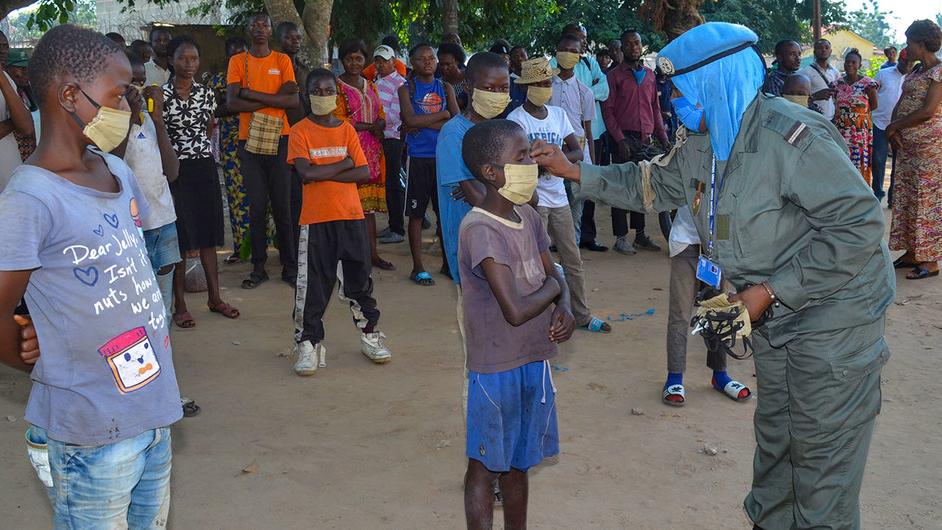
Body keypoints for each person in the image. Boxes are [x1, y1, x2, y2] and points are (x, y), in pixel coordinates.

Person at [535, 22, 894, 530]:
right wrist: (575, 171)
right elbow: (652, 183)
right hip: (776, 322)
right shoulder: (707, 143)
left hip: (833, 320)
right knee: (778, 445)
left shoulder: (792, 137)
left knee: (821, 462)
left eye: (682, 91)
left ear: (716, 83)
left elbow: (858, 225)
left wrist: (771, 291)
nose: (674, 103)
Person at [0, 25, 182, 526]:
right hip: (89, 430)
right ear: (69, 96)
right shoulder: (29, 199)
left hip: (152, 410)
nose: (128, 106)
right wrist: (34, 357)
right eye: (119, 95)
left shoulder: (116, 172)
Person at [459, 118, 574, 530]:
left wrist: (564, 305)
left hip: (532, 357)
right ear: (491, 172)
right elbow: (515, 308)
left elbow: (552, 273)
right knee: (485, 464)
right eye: (522, 156)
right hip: (496, 366)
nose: (532, 163)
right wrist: (555, 289)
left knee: (518, 462)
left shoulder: (528, 216)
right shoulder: (480, 229)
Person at [289, 68, 394, 375]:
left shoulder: (347, 129)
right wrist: (343, 164)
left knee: (359, 280)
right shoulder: (299, 131)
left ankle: (370, 333)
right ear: (307, 96)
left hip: (351, 216)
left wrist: (322, 170)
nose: (322, 96)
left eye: (328, 91)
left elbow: (363, 172)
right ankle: (308, 343)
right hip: (316, 220)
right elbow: (304, 173)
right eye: (316, 91)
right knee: (313, 286)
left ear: (336, 96)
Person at [509, 57, 611, 334]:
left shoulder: (558, 115)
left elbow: (577, 150)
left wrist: (556, 160)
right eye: (539, 84)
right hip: (532, 199)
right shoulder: (516, 120)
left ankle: (582, 314)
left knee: (572, 259)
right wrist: (540, 164)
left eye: (548, 83)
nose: (545, 88)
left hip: (559, 197)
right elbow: (513, 160)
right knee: (534, 262)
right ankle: (538, 317)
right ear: (526, 87)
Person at [436, 52, 512, 411]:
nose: (497, 94)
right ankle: (481, 410)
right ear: (468, 87)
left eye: (503, 88)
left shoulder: (504, 131)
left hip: (506, 247)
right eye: (489, 88)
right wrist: (498, 187)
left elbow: (519, 190)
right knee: (480, 339)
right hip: (471, 253)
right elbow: (479, 197)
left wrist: (490, 187)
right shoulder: (454, 134)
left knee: (506, 332)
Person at [163, 36, 239, 327]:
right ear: (171, 61)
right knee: (181, 237)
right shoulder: (160, 95)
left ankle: (215, 298)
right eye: (183, 58)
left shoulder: (206, 93)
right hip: (174, 170)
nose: (189, 64)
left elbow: (208, 127)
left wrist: (197, 149)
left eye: (194, 58)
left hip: (203, 165)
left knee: (208, 234)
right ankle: (180, 305)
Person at [226, 13, 300, 289]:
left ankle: (289, 266)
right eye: (254, 25)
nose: (259, 29)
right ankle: (259, 267)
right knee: (256, 207)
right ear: (247, 30)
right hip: (249, 142)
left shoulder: (282, 60)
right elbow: (232, 104)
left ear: (271, 31)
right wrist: (273, 100)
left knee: (283, 206)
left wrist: (251, 94)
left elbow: (292, 100)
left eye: (264, 25)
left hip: (280, 139)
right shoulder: (238, 61)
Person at [398, 43, 459, 286]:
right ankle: (418, 267)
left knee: (445, 213)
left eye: (431, 58)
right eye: (422, 59)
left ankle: (448, 263)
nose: (428, 62)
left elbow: (455, 121)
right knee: (416, 213)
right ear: (412, 63)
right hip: (418, 157)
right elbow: (409, 120)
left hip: (443, 157)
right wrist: (441, 115)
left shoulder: (445, 87)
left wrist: (420, 122)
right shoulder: (406, 89)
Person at [601, 29, 667, 254]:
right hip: (623, 139)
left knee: (642, 187)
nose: (634, 47)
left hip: (645, 139)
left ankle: (640, 235)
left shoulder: (649, 75)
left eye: (637, 43)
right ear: (622, 48)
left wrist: (663, 139)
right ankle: (620, 237)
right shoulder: (614, 76)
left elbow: (655, 109)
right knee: (621, 186)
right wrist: (620, 139)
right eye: (628, 44)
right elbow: (608, 111)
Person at [886, 19, 942, 281]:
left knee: (926, 200)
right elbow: (903, 100)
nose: (906, 47)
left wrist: (894, 126)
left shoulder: (939, 72)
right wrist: (893, 130)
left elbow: (928, 111)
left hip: (929, 148)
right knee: (906, 196)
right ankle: (912, 253)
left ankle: (930, 260)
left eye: (909, 42)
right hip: (908, 146)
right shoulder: (917, 70)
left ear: (921, 43)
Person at [335, 39, 393, 271]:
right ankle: (351, 256)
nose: (354, 63)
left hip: (373, 153)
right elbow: (337, 119)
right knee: (349, 208)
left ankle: (372, 254)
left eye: (358, 58)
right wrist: (368, 127)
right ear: (342, 60)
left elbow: (380, 113)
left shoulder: (371, 85)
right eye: (349, 58)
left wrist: (379, 124)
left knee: (368, 210)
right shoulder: (337, 86)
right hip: (349, 153)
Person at [551, 24, 610, 253]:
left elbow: (588, 130)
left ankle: (572, 251)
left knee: (576, 204)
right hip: (552, 149)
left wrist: (591, 163)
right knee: (554, 202)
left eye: (573, 51)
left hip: (578, 151)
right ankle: (554, 248)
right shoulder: (546, 86)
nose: (568, 54)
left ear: (579, 55)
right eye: (564, 50)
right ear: (556, 52)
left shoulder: (585, 92)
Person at [206, 37, 250, 264]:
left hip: (260, 142)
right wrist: (238, 105)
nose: (239, 59)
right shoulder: (218, 80)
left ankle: (265, 247)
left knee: (264, 198)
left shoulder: (257, 76)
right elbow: (213, 110)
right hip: (232, 146)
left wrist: (233, 103)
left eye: (242, 54)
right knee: (236, 197)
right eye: (234, 54)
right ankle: (242, 249)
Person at [276, 21, 311, 256]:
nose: (295, 41)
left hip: (303, 135)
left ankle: (301, 245)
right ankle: (287, 250)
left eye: (297, 37)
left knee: (301, 195)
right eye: (289, 37)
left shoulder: (303, 68)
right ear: (279, 40)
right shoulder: (275, 66)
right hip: (280, 135)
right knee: (284, 198)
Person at [374, 44, 408, 244]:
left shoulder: (400, 83)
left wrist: (375, 124)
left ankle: (398, 229)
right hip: (380, 138)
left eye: (384, 61)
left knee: (394, 183)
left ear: (393, 61)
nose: (380, 64)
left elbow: (396, 115)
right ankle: (393, 224)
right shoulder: (377, 81)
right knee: (388, 182)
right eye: (377, 61)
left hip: (393, 139)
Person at [830, 49, 878, 185]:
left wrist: (857, 116)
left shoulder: (868, 84)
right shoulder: (837, 84)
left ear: (859, 65)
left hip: (859, 132)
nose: (850, 64)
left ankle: (860, 192)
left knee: (858, 163)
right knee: (841, 162)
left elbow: (874, 105)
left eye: (853, 62)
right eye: (847, 62)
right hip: (840, 130)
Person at [872, 49, 911, 202]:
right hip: (880, 124)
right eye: (904, 61)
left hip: (901, 126)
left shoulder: (914, 77)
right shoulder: (883, 74)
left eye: (910, 62)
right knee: (878, 160)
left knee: (898, 163)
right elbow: (872, 93)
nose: (907, 65)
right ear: (899, 60)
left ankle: (892, 197)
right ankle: (877, 193)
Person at [0, 30, 35, 190]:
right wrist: (15, 121)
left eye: (5, 46)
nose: (2, 51)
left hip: (11, 179)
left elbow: (26, 126)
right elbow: (23, 122)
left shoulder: (6, 79)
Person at [800, 38, 839, 120]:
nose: (823, 50)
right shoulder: (805, 72)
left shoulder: (835, 72)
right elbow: (799, 98)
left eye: (826, 48)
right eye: (820, 48)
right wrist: (815, 96)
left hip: (832, 117)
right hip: (813, 117)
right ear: (814, 52)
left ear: (830, 51)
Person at [438, 42, 469, 110]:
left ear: (457, 62)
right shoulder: (438, 83)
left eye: (448, 64)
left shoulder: (469, 77)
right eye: (441, 64)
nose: (444, 68)